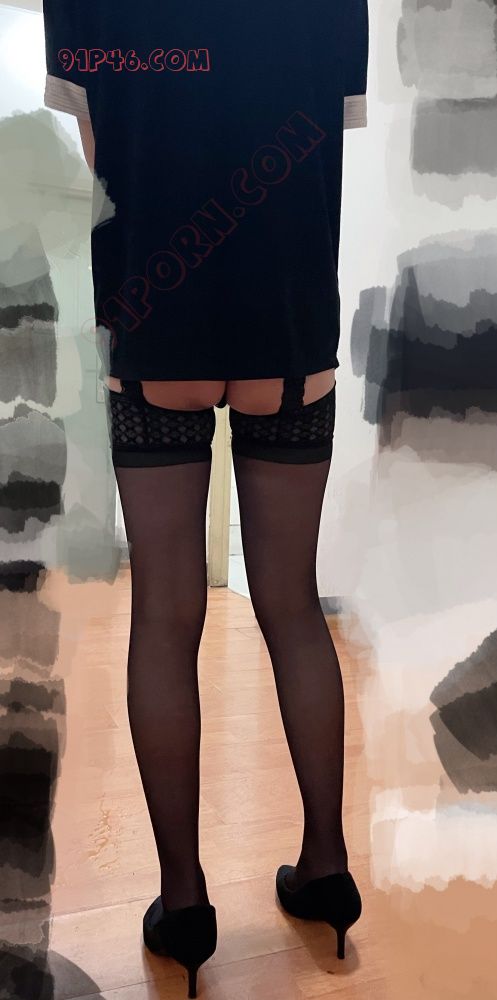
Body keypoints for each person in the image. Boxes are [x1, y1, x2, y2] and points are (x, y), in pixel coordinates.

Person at [42, 2, 369, 996]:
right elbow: (322, 138)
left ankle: (183, 901)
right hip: (287, 316)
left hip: (155, 314)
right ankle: (325, 869)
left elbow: (98, 151)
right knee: (292, 606)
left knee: (164, 614)